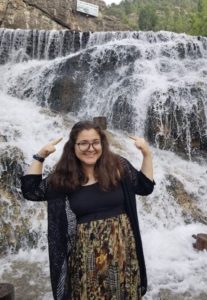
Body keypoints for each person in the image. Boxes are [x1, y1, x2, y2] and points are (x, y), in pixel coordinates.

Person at [21, 121, 155, 300]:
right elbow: (32, 191)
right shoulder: (64, 177)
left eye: (95, 142)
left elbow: (145, 187)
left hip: (123, 253)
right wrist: (40, 156)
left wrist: (146, 153)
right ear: (73, 146)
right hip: (87, 258)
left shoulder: (118, 167)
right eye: (83, 143)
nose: (90, 148)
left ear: (102, 144)